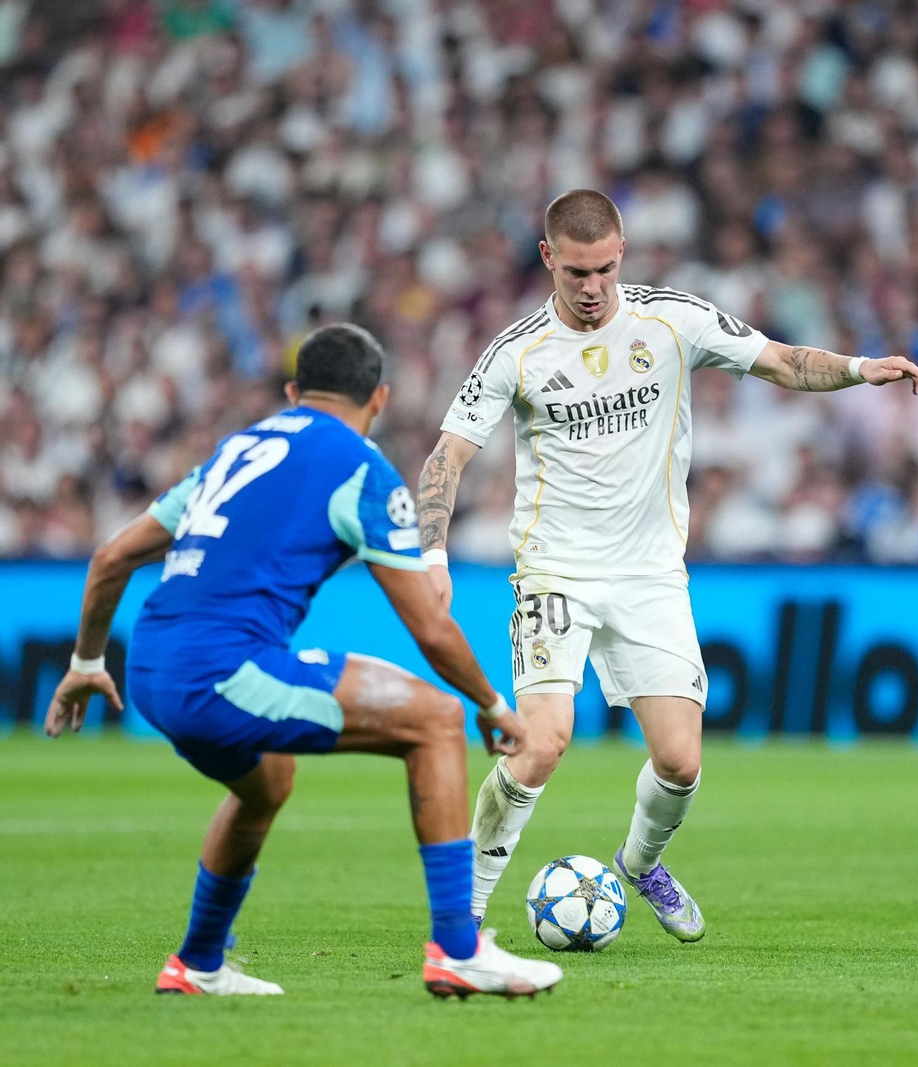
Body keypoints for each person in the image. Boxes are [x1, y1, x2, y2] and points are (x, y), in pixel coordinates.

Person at [416, 190, 918, 940]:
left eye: (606, 269)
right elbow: (447, 455)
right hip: (556, 571)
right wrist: (433, 552)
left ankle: (638, 861)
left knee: (682, 761)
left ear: (622, 254)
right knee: (542, 742)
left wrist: (860, 367)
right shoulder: (516, 352)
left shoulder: (672, 319)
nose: (592, 288)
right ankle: (462, 911)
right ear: (548, 259)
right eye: (577, 272)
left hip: (651, 574)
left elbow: (783, 362)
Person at [45, 324, 563, 998]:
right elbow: (430, 627)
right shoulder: (361, 466)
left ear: (293, 392)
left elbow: (111, 556)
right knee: (437, 720)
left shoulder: (236, 450)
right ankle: (458, 951)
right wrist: (494, 707)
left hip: (148, 665)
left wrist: (87, 661)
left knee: (267, 781)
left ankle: (197, 964)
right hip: (221, 672)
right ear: (379, 397)